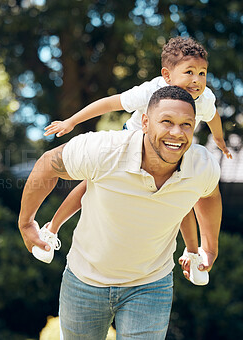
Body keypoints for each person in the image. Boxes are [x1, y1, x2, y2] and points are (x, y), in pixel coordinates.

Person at [18, 86, 222, 339]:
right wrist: (26, 222)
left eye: (186, 125)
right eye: (167, 122)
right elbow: (48, 163)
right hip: (84, 281)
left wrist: (209, 247)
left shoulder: (202, 165)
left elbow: (210, 195)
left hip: (150, 285)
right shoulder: (104, 150)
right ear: (145, 122)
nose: (177, 133)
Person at [34, 37, 230, 285]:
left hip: (170, 150)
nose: (196, 80)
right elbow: (109, 103)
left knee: (182, 193)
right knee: (88, 185)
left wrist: (220, 140)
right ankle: (51, 229)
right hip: (133, 143)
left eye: (202, 73)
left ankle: (192, 254)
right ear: (167, 75)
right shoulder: (150, 91)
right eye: (189, 72)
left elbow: (213, 118)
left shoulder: (204, 98)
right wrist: (70, 121)